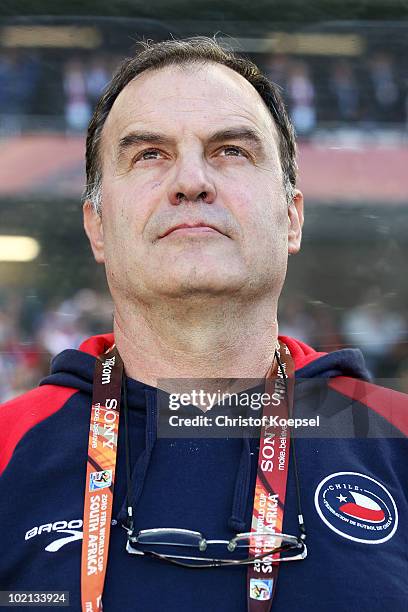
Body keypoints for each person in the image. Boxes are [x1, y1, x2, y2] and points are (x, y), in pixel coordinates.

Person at [0, 37, 407, 612]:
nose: (190, 181)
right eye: (148, 155)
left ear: (291, 218)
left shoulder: (396, 438)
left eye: (231, 151)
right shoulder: (6, 446)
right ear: (97, 227)